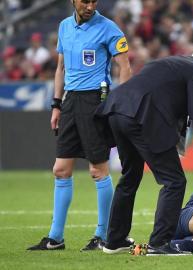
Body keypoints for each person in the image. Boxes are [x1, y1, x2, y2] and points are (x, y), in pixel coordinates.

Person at [96, 44, 193, 255]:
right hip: (144, 118)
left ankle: (114, 240)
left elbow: (167, 102)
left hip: (116, 111)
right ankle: (159, 244)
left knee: (130, 176)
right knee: (174, 181)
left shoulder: (169, 62)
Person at [27, 0, 131, 251]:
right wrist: (56, 104)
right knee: (61, 169)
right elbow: (60, 68)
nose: (90, 5)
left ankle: (102, 235)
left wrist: (118, 103)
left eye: (94, 1)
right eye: (85, 1)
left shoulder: (109, 28)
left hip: (95, 100)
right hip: (70, 101)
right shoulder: (64, 27)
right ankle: (55, 238)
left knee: (98, 170)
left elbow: (124, 66)